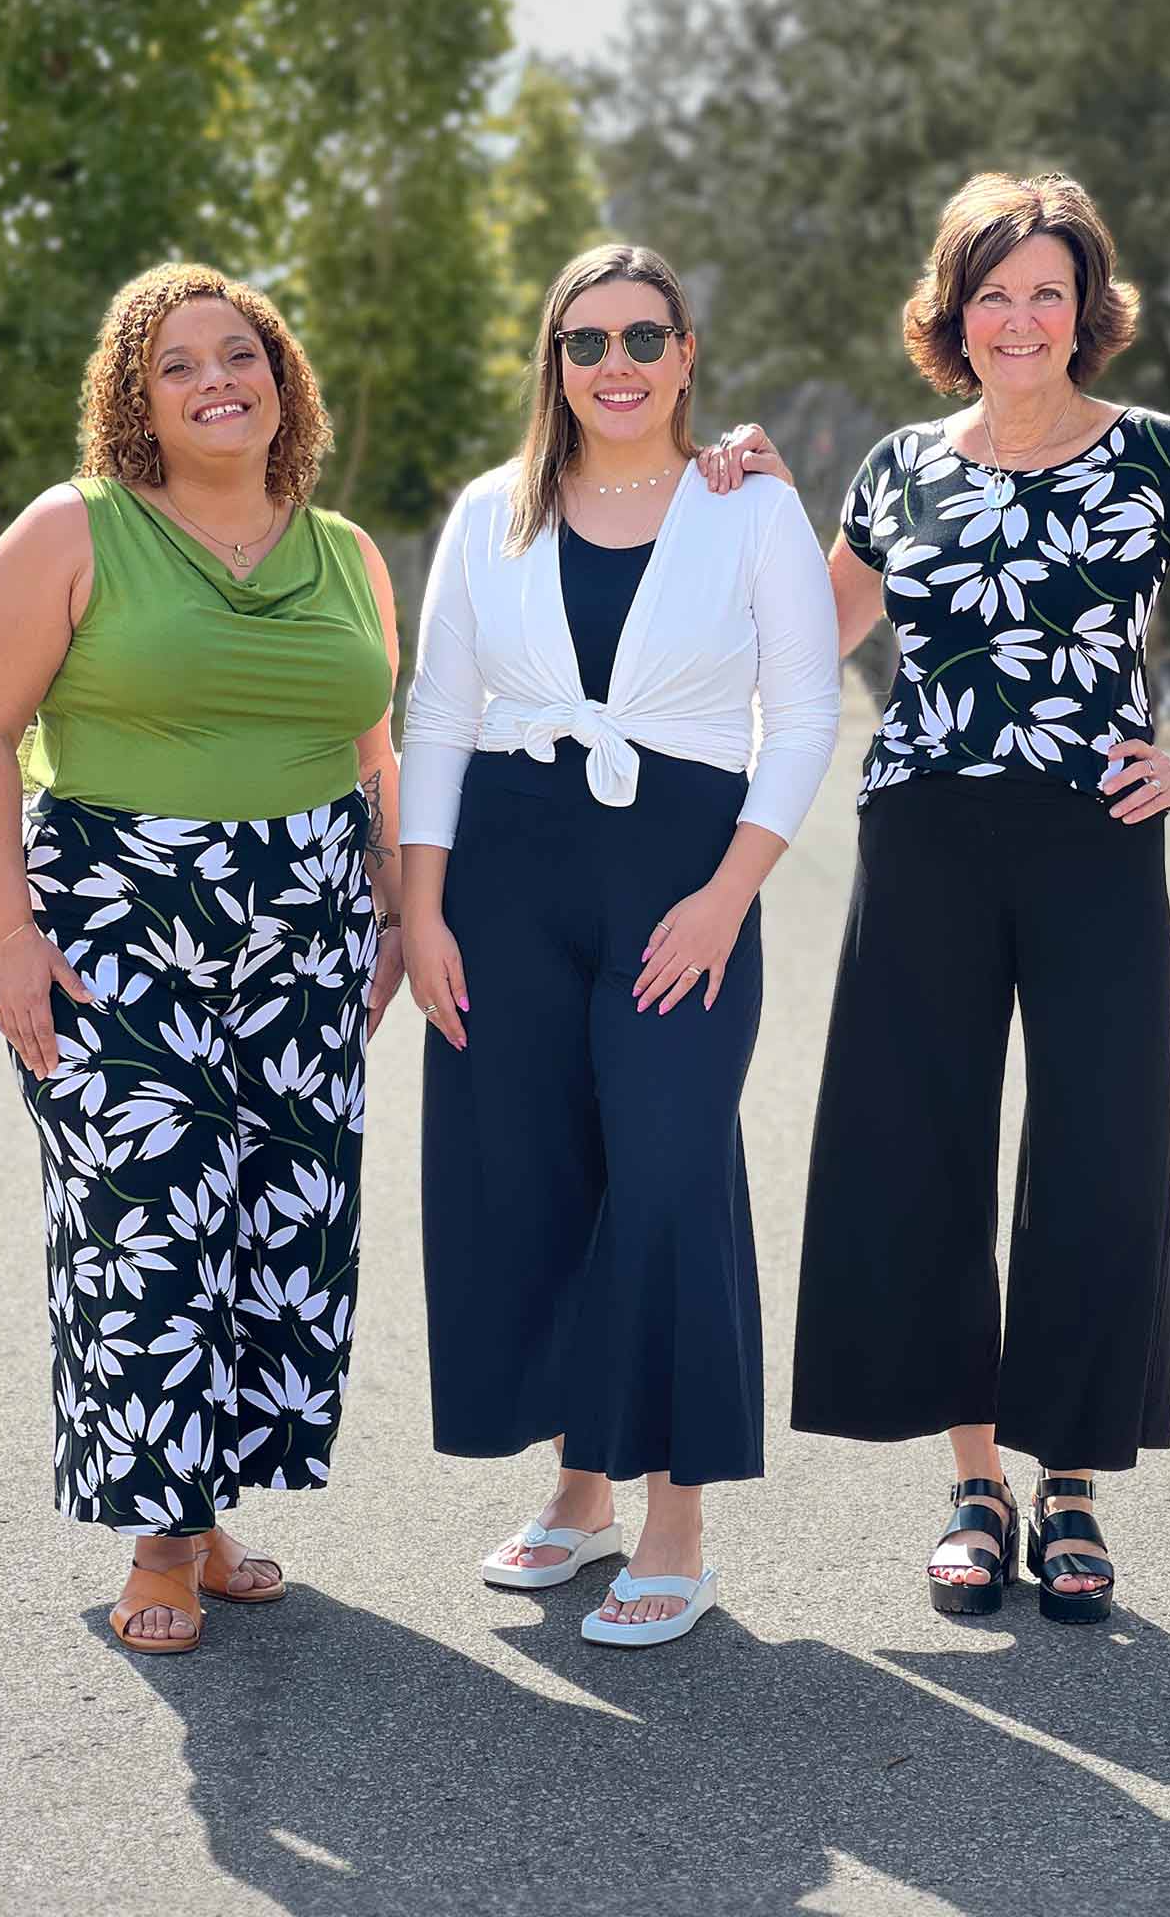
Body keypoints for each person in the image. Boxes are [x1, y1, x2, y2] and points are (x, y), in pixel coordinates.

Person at [702, 172, 1170, 1623]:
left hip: (1096, 835)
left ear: (1084, 310)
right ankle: (974, 1481)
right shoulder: (905, 468)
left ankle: (1073, 1486)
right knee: (920, 1150)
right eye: (994, 293)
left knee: (1100, 1155)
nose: (1020, 319)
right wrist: (760, 507)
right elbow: (808, 630)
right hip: (925, 838)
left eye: (1048, 292)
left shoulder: (1155, 455)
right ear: (953, 312)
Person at [0, 264, 404, 1654]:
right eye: (179, 366)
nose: (218, 382)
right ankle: (156, 1537)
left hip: (310, 936)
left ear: (282, 380)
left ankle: (209, 1515)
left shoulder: (347, 553)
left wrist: (388, 910)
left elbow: (376, 749)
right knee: (145, 1224)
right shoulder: (73, 530)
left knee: (277, 1227)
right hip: (113, 936)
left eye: (241, 355)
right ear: (136, 400)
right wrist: (9, 940)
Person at [399, 243, 841, 1647]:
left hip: (682, 877)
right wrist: (421, 912)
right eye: (587, 342)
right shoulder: (490, 514)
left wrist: (731, 891)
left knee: (665, 1172)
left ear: (688, 352)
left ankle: (676, 1517)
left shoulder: (752, 509)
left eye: (644, 337)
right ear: (556, 361)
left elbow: (809, 714)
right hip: (508, 883)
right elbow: (438, 718)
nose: (618, 365)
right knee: (534, 1178)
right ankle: (579, 1491)